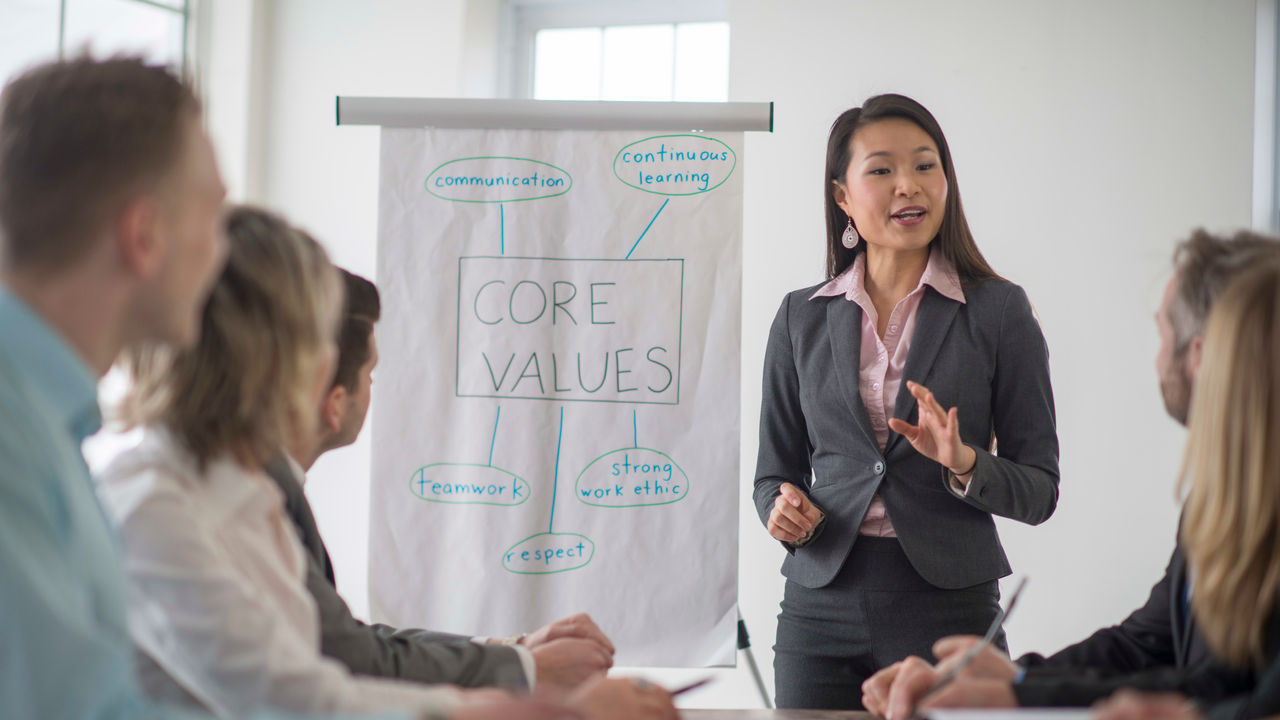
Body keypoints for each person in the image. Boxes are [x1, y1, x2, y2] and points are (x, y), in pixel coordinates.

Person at [96, 205, 675, 720]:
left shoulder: (239, 493)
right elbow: (300, 697)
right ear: (286, 360)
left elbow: (321, 669)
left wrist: (519, 667)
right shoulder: (154, 500)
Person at [861, 230, 1280, 720]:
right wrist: (1012, 682)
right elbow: (1149, 646)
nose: (1156, 355)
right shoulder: (1222, 501)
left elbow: (1250, 698)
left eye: (1162, 330)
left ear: (1203, 356)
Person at [754, 93, 1060, 709]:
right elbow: (773, 473)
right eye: (881, 170)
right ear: (842, 196)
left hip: (950, 610)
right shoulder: (799, 318)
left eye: (926, 166)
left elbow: (1040, 491)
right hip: (819, 609)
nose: (908, 186)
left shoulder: (999, 312)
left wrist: (964, 463)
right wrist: (780, 509)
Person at [0, 55, 236, 720]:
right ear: (143, 236)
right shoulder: (12, 435)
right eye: (213, 217)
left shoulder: (47, 423)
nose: (222, 253)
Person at [266, 268, 615, 692]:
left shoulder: (270, 485)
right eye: (371, 374)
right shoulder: (263, 497)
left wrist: (518, 650)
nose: (374, 389)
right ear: (334, 401)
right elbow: (350, 657)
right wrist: (528, 669)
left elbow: (351, 641)